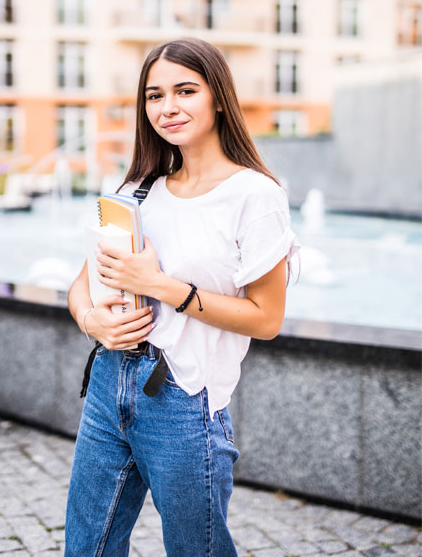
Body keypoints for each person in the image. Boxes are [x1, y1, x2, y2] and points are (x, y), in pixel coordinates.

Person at [64, 37, 300, 557]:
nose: (167, 108)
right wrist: (91, 320)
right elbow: (82, 281)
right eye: (154, 95)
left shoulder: (254, 195)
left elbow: (267, 319)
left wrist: (162, 287)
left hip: (183, 396)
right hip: (109, 384)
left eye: (185, 90)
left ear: (218, 97)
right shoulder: (138, 189)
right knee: (88, 548)